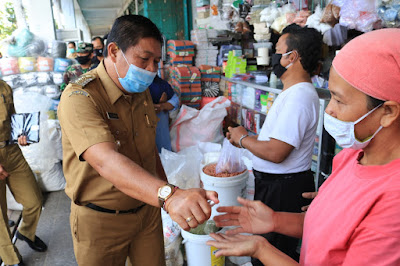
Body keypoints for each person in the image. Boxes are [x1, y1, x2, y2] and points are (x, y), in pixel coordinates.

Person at [207, 28, 400, 265]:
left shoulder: (393, 201)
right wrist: (275, 220)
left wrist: (261, 249)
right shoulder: (351, 157)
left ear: (388, 112)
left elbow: (278, 152)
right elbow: (327, 227)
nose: (328, 110)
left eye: (338, 100)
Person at [58, 15, 218, 266]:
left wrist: (166, 199)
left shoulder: (140, 91)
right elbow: (106, 161)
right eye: (144, 59)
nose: (152, 70)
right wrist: (169, 195)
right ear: (113, 51)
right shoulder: (80, 97)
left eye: (156, 61)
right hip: (101, 222)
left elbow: (148, 150)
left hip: (146, 212)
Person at [226, 24, 322, 262]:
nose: (274, 56)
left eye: (278, 50)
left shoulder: (299, 95)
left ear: (293, 57)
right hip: (277, 185)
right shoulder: (292, 93)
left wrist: (244, 138)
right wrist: (244, 141)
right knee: (264, 251)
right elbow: (273, 141)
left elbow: (277, 152)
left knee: (271, 254)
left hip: (283, 190)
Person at [0, 80, 47, 266]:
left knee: (34, 200)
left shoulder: (4, 87)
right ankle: (11, 259)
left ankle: (26, 232)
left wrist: (21, 134)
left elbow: (12, 118)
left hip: (11, 152)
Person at [149, 75, 179, 153]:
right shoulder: (135, 85)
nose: (151, 68)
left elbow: (175, 100)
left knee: (163, 152)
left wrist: (162, 106)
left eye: (155, 63)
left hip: (160, 123)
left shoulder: (161, 84)